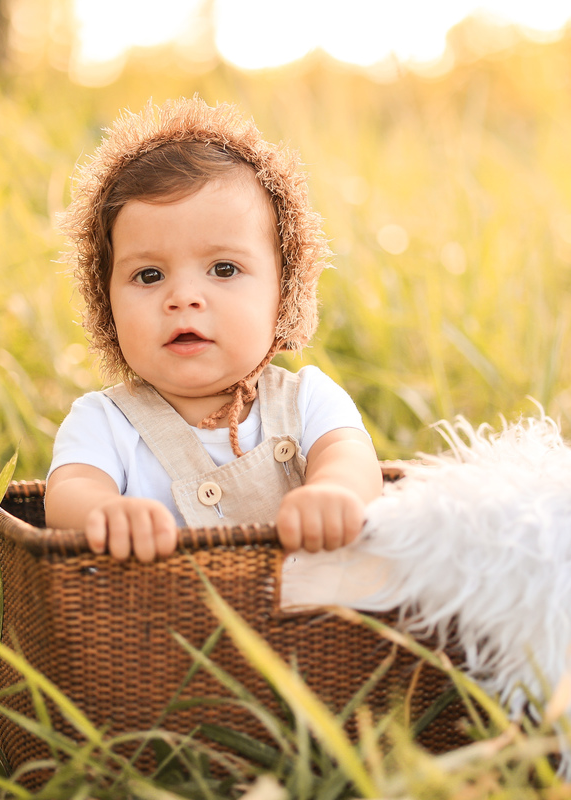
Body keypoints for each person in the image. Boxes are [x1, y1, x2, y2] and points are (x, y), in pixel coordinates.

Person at [44, 99, 383, 598]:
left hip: (303, 633)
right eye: (149, 275)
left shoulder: (307, 399)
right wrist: (105, 513)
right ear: (105, 301)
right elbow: (68, 491)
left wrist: (334, 493)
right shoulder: (104, 421)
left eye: (224, 270)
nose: (183, 298)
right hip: (155, 639)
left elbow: (352, 456)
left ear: (283, 291)